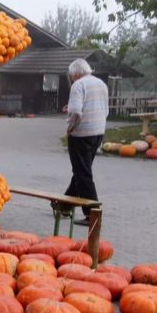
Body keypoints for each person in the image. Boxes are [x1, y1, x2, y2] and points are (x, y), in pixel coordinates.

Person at [63, 58, 107, 226]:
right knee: (82, 171)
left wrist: (70, 127)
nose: (71, 78)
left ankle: (92, 214)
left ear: (75, 73)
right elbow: (104, 109)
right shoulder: (101, 83)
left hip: (81, 135)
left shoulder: (78, 85)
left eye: (71, 75)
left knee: (83, 174)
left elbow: (75, 111)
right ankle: (65, 204)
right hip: (98, 132)